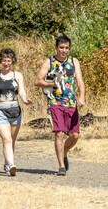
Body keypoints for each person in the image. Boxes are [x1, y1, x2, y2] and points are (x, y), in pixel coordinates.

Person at [34, 35, 86, 176]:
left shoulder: (73, 62)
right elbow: (37, 81)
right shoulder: (49, 62)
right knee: (59, 133)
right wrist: (51, 84)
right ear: (56, 47)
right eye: (61, 47)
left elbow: (80, 81)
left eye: (67, 48)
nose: (64, 50)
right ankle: (61, 167)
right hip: (55, 102)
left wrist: (81, 97)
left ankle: (64, 152)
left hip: (71, 103)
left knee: (74, 135)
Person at [0, 48, 32, 176]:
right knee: (6, 139)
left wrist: (25, 100)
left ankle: (7, 164)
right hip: (0, 111)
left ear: (12, 61)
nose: (6, 63)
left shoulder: (18, 75)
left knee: (11, 140)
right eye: (4, 60)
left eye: (9, 60)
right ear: (1, 61)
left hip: (15, 111)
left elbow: (21, 91)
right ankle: (11, 165)